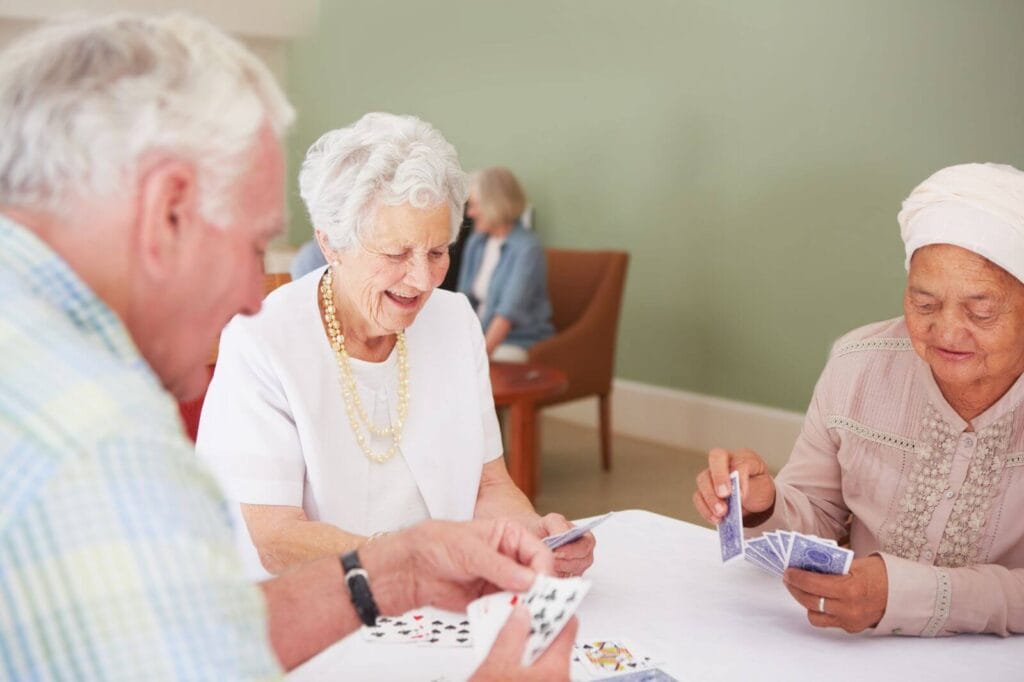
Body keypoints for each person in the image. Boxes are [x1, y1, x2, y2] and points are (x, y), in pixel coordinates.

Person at [0, 13, 576, 678]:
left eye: (439, 251)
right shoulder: (100, 443)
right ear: (168, 210)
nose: (254, 291)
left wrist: (410, 567)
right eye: (253, 245)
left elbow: (204, 630)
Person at [196, 113, 594, 580]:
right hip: (308, 602)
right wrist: (413, 560)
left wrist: (532, 534)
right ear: (331, 244)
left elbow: (489, 484)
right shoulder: (263, 341)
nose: (422, 280)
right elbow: (277, 539)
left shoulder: (455, 321)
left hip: (436, 592)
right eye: (396, 253)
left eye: (437, 251)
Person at [693, 162, 1024, 638]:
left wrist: (906, 595)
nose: (948, 331)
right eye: (924, 304)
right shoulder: (858, 364)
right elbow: (819, 515)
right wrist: (763, 505)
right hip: (858, 653)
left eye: (982, 310)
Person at [456, 167, 554, 362]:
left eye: (476, 205)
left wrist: (477, 358)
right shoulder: (476, 242)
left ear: (496, 205)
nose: (471, 213)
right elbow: (463, 300)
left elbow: (507, 315)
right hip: (480, 334)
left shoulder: (527, 249)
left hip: (515, 340)